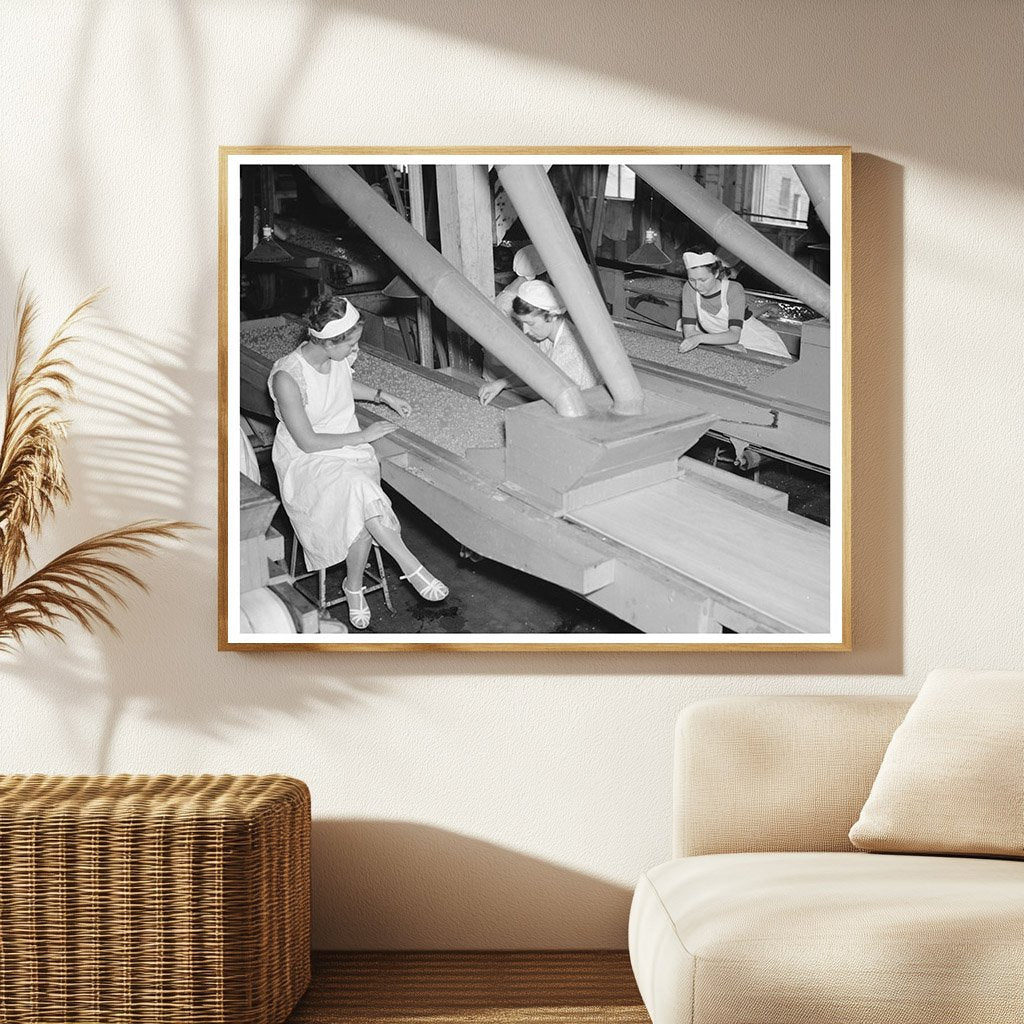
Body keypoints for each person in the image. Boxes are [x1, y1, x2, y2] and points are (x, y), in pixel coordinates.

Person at [268, 294, 448, 630]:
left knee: (359, 499)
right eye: (350, 343)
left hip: (347, 449)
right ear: (329, 343)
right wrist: (365, 435)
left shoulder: (335, 357)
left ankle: (354, 587)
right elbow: (307, 441)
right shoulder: (287, 377)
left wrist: (383, 396)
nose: (355, 350)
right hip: (307, 461)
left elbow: (341, 384)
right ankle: (410, 566)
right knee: (358, 491)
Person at [477, 280, 599, 405]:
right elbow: (538, 371)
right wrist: (501, 383)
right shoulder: (550, 332)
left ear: (551, 316)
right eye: (522, 323)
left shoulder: (569, 352)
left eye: (531, 324)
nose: (525, 331)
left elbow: (569, 405)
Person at [676, 249, 747, 353]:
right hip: (720, 342)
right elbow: (689, 332)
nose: (697, 286)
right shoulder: (689, 288)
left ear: (716, 273)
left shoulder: (734, 289)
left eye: (703, 280)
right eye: (692, 280)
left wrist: (699, 339)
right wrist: (724, 343)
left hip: (752, 340)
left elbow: (734, 335)